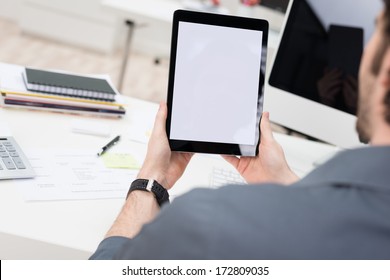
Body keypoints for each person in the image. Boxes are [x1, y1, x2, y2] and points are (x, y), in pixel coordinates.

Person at [90, 0, 390, 259]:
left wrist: (150, 181)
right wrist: (280, 179)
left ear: (385, 73)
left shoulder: (207, 223)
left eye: (374, 33)